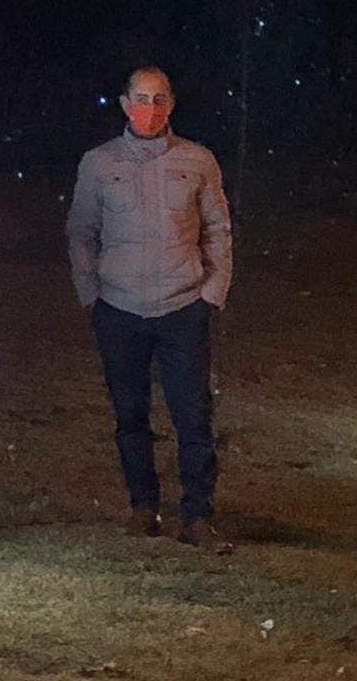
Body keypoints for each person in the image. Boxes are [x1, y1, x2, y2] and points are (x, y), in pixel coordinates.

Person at [66, 65, 234, 553]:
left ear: (172, 104)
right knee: (130, 413)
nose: (150, 109)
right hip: (118, 308)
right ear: (123, 104)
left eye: (159, 99)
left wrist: (211, 293)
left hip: (183, 307)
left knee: (193, 415)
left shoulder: (198, 160)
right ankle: (144, 506)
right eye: (141, 98)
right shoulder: (98, 164)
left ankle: (197, 515)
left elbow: (218, 230)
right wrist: (90, 295)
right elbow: (81, 233)